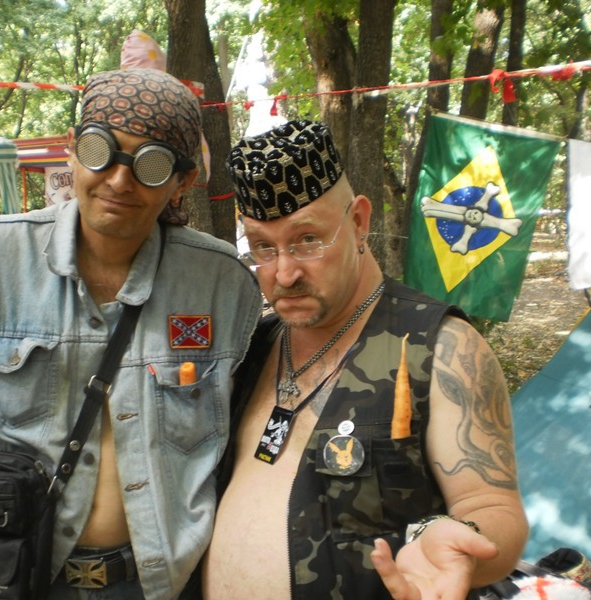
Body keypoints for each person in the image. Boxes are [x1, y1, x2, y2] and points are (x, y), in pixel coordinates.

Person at [0, 68, 262, 600]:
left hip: (168, 581)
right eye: (100, 150)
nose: (119, 180)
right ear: (72, 150)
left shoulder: (223, 284)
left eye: (151, 164)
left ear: (182, 181)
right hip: (25, 575)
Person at [201, 120, 528, 599]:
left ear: (358, 221)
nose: (284, 273)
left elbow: (492, 506)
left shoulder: (440, 347)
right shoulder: (254, 345)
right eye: (263, 247)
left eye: (307, 239)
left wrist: (458, 546)